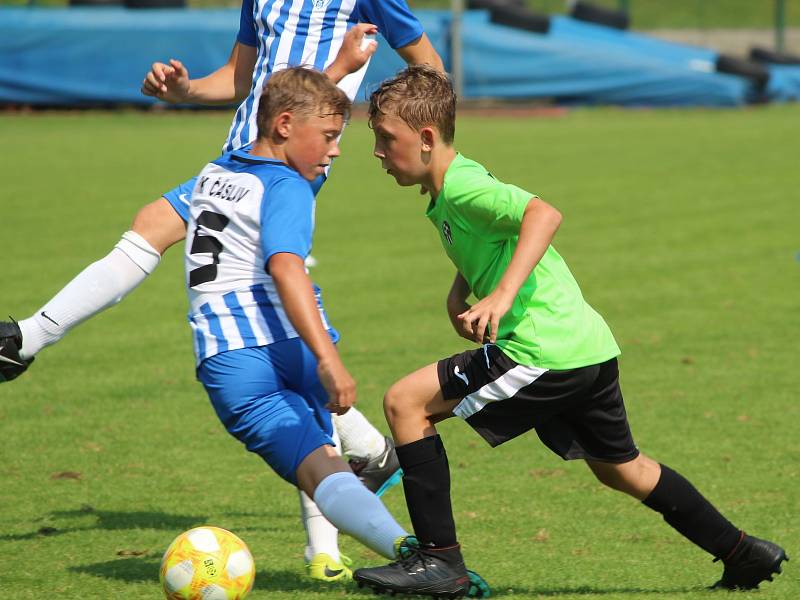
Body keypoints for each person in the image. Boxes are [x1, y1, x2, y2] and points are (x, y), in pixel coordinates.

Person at [0, 0, 442, 582]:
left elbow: (428, 71)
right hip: (240, 154)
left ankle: (24, 339)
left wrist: (411, 136)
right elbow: (241, 79)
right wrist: (183, 90)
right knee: (259, 319)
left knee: (276, 320)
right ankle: (350, 487)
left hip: (289, 160)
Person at [351, 65, 788, 598]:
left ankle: (440, 563)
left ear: (424, 138)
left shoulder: (462, 186)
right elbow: (492, 237)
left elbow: (542, 214)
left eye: (384, 138)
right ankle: (744, 552)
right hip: (587, 346)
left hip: (543, 350)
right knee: (622, 469)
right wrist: (458, 291)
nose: (376, 150)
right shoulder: (454, 186)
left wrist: (503, 296)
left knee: (405, 403)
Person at [181, 65, 488, 598]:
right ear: (282, 126)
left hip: (229, 361)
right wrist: (327, 358)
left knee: (321, 471)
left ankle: (409, 553)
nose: (337, 150)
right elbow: (286, 266)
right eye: (328, 137)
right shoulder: (287, 186)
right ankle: (403, 522)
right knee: (329, 462)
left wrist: (341, 67)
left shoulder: (212, 175)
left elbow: (295, 104)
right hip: (287, 347)